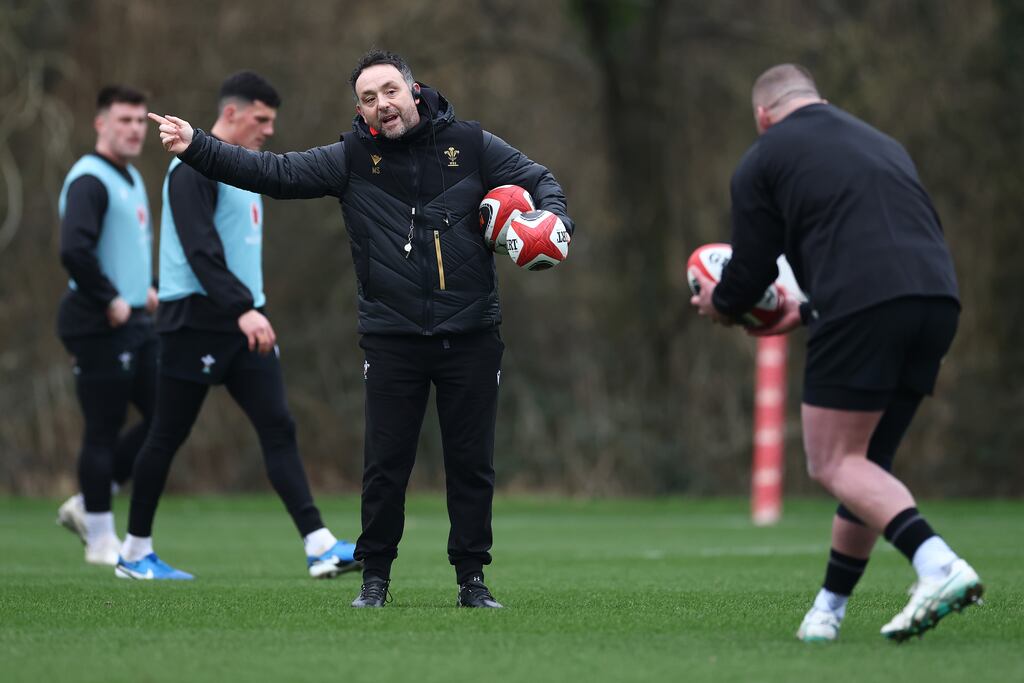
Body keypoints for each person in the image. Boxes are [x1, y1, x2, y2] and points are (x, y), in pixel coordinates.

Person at [148, 50, 574, 606]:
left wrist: (554, 221)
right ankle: (375, 581)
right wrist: (197, 146)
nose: (382, 105)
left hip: (470, 333)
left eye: (390, 91)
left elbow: (540, 179)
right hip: (391, 337)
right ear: (361, 109)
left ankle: (472, 581)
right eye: (369, 99)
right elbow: (273, 173)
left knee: (471, 464)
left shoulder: (470, 145)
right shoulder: (350, 158)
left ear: (413, 92)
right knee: (384, 466)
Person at [690, 64, 983, 642]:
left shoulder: (764, 157)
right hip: (936, 299)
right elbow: (892, 236)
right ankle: (827, 612)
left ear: (762, 116)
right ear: (818, 101)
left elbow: (749, 272)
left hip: (864, 303)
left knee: (832, 463)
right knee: (864, 465)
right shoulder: (881, 142)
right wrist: (812, 308)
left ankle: (937, 563)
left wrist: (722, 304)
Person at [115, 71, 358, 581]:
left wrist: (254, 310)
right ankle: (134, 553)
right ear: (231, 113)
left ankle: (319, 546)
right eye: (261, 119)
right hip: (196, 324)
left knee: (278, 426)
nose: (269, 130)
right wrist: (241, 308)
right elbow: (200, 250)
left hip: (245, 324)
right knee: (166, 434)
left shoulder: (246, 172)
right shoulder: (190, 170)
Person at [56, 85, 158, 566]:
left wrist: (147, 288)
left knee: (167, 415)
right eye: (125, 120)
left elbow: (127, 250)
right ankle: (99, 538)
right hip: (97, 322)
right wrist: (111, 297)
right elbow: (74, 248)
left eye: (141, 121)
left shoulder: (132, 178)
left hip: (138, 321)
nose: (136, 129)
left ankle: (87, 501)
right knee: (103, 428)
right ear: (101, 124)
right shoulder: (89, 179)